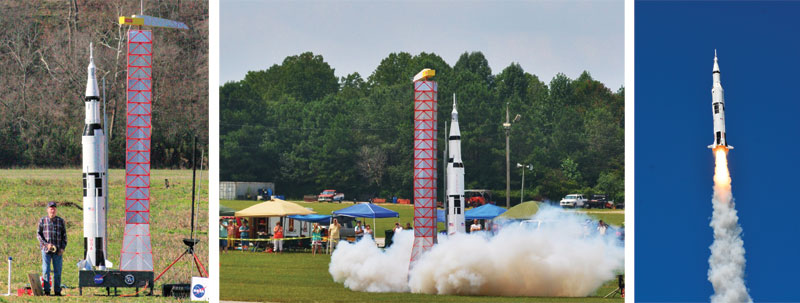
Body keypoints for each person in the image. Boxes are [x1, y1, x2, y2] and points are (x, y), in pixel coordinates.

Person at [37, 201, 66, 296]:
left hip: (57, 251)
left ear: (56, 210)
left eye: (54, 208)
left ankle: (57, 291)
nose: (52, 210)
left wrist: (62, 248)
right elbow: (39, 235)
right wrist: (46, 245)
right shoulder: (42, 221)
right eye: (50, 208)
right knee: (46, 270)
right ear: (47, 210)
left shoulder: (60, 221)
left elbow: (64, 236)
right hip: (46, 250)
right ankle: (47, 291)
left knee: (58, 271)